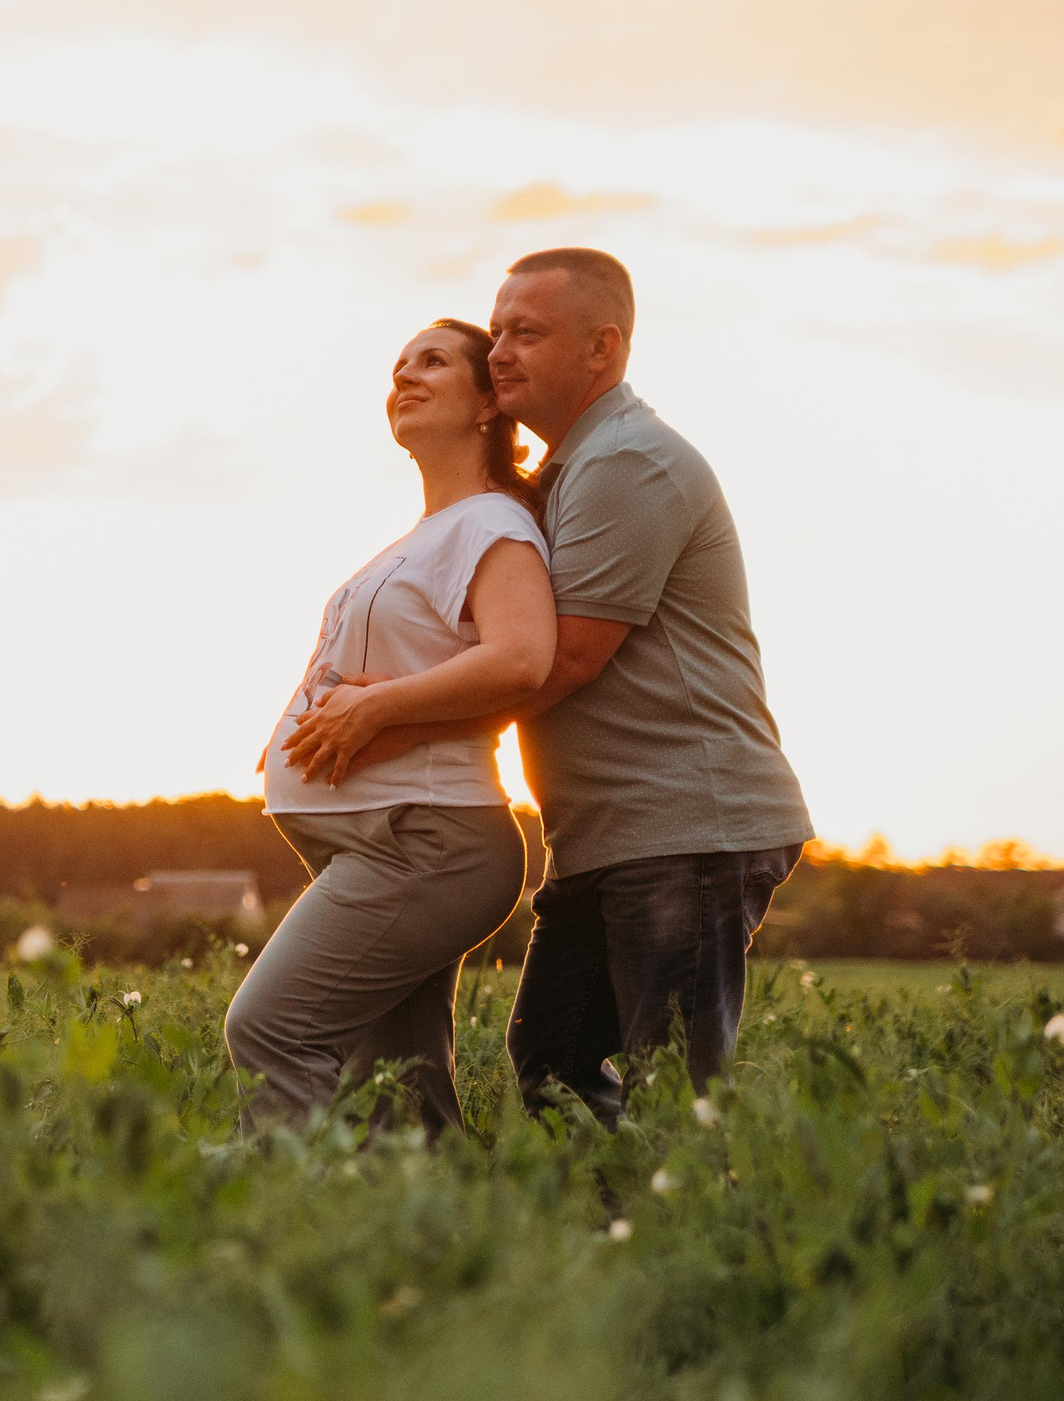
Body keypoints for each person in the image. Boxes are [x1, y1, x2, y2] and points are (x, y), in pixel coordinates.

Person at [335, 248, 813, 1126]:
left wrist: (387, 724)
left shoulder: (630, 461)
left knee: (672, 1089)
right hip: (610, 832)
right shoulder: (567, 470)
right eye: (500, 328)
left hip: (686, 826)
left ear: (602, 349)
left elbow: (566, 658)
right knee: (553, 1057)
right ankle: (610, 1236)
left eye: (527, 332)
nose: (501, 350)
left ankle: (688, 1242)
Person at [224, 318, 555, 1136]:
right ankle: (431, 1236)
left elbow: (521, 660)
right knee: (401, 1091)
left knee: (272, 1028)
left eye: (432, 362)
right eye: (398, 365)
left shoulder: (494, 525)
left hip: (427, 836)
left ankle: (276, 1217)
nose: (405, 375)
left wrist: (372, 708)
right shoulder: (426, 534)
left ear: (487, 402)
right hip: (388, 835)